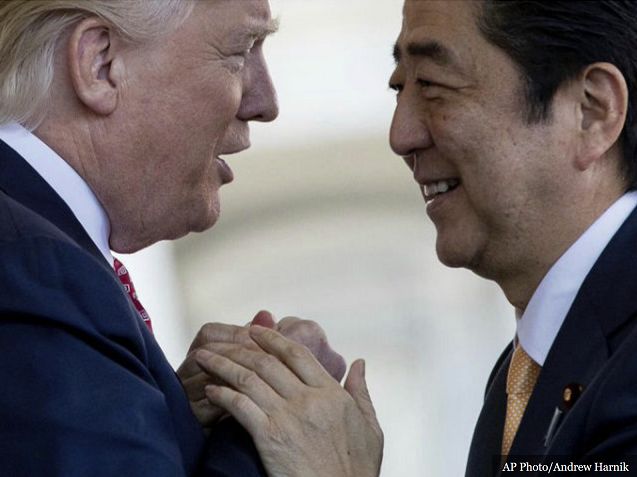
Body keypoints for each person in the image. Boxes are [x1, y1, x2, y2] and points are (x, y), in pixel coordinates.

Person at [192, 1, 637, 475]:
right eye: (399, 88)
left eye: (432, 86)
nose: (400, 135)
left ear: (592, 111)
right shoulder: (526, 369)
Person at [0, 1, 348, 475]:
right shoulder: (37, 272)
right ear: (100, 64)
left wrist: (164, 420)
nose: (265, 103)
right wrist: (275, 427)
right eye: (240, 51)